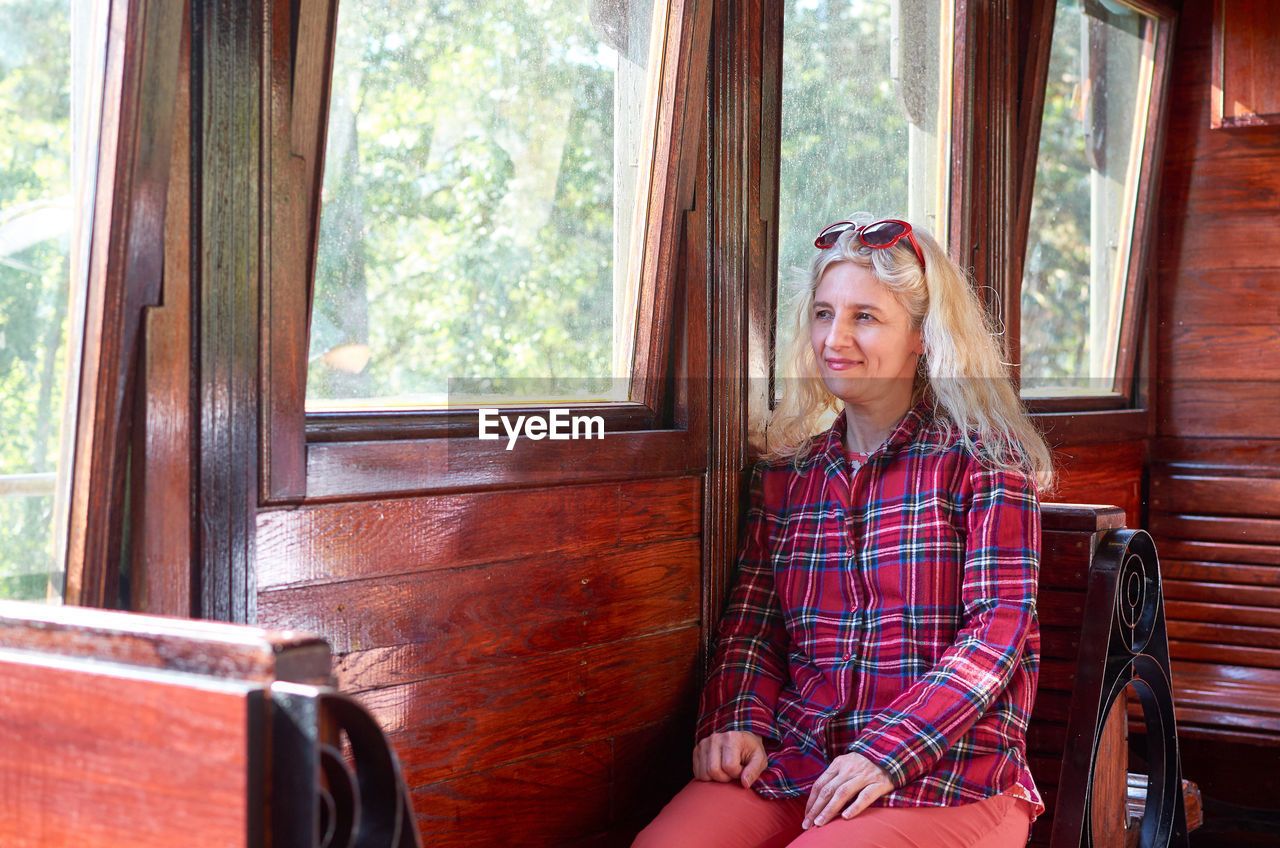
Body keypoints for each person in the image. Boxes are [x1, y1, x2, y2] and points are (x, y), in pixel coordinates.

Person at [633, 214, 1055, 848]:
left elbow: (997, 635)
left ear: (923, 337)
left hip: (952, 774)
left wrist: (887, 753)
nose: (836, 337)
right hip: (800, 762)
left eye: (865, 316)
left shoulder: (985, 464)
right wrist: (736, 719)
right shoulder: (787, 477)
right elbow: (755, 625)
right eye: (824, 313)